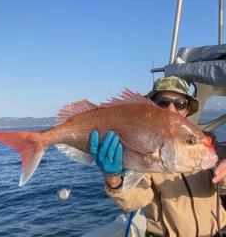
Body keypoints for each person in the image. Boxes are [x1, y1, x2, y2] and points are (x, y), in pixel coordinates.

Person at [90, 76, 226, 237]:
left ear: (187, 109)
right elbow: (137, 201)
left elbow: (222, 183)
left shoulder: (206, 141)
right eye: (163, 102)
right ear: (152, 106)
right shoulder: (147, 144)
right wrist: (113, 179)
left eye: (180, 104)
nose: (171, 109)